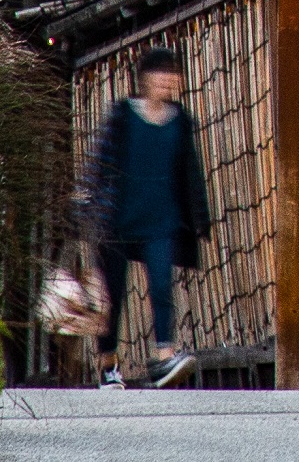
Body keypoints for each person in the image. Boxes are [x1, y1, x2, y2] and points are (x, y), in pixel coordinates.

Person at [87, 46, 211, 387]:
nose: (167, 81)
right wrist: (89, 206)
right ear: (144, 79)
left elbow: (190, 172)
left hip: (163, 219)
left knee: (161, 287)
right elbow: (100, 164)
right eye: (161, 75)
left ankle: (163, 357)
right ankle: (109, 365)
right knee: (111, 295)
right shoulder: (123, 115)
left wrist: (199, 218)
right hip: (118, 219)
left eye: (173, 76)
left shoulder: (180, 120)